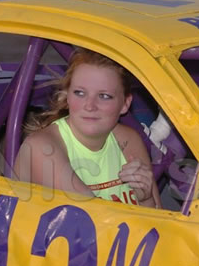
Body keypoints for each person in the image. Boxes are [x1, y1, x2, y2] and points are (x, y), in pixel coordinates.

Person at [14, 48, 160, 208]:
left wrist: (146, 199)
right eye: (80, 93)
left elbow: (159, 219)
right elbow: (91, 216)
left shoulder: (128, 139)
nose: (90, 106)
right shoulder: (41, 148)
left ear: (125, 104)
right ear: (67, 96)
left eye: (104, 96)